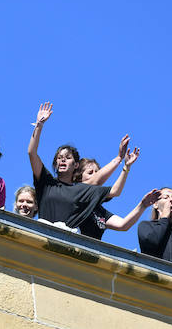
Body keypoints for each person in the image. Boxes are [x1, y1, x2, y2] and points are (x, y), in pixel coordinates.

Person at [27, 102, 157, 238]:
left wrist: (124, 165)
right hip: (42, 241)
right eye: (59, 158)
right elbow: (32, 153)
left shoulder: (81, 190)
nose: (63, 160)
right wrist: (39, 125)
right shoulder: (47, 182)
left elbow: (114, 192)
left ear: (76, 165)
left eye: (67, 157)